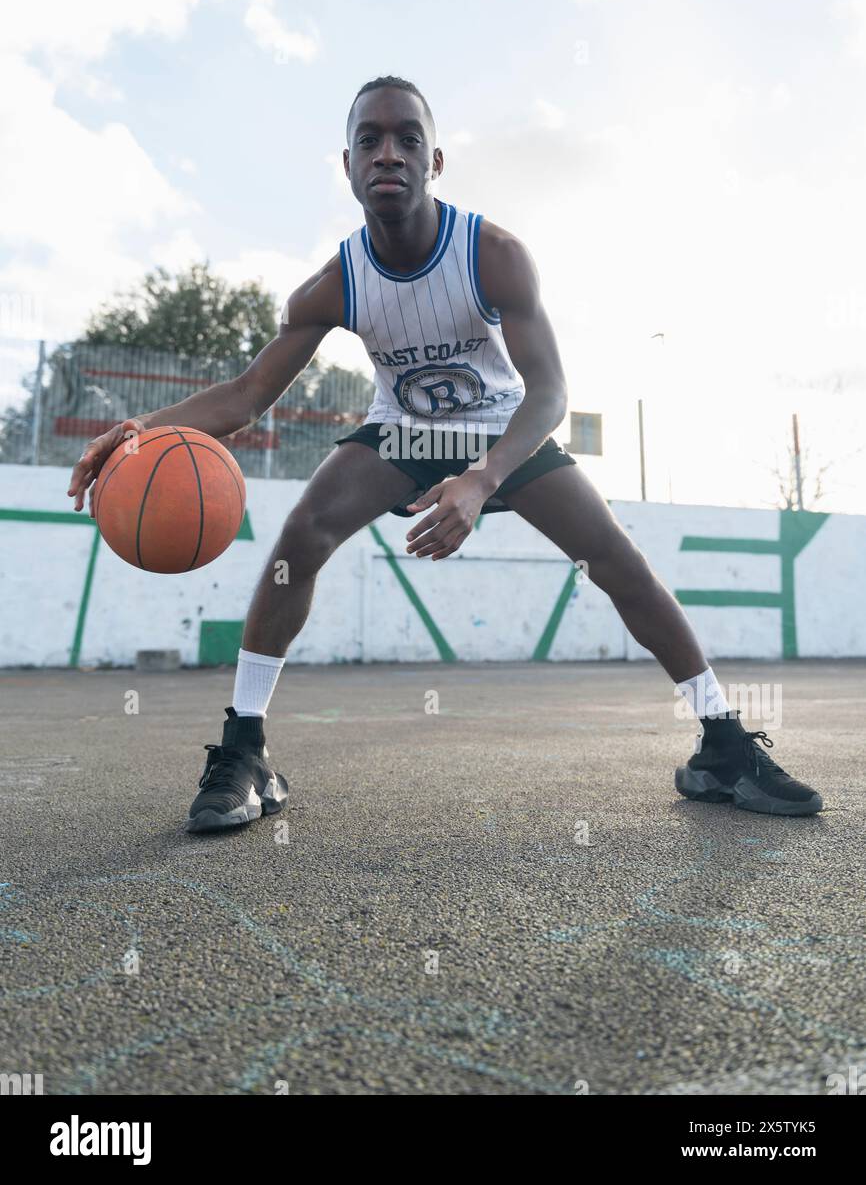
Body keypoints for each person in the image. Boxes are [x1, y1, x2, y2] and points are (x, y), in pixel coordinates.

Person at [67, 76, 823, 828]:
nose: (388, 153)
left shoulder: (492, 253)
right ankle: (246, 750)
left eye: (407, 139)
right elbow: (243, 398)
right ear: (349, 164)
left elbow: (551, 392)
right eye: (371, 140)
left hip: (502, 427)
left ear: (434, 163)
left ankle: (722, 744)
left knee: (616, 561)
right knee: (302, 535)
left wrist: (484, 478)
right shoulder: (335, 283)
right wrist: (134, 433)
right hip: (403, 430)